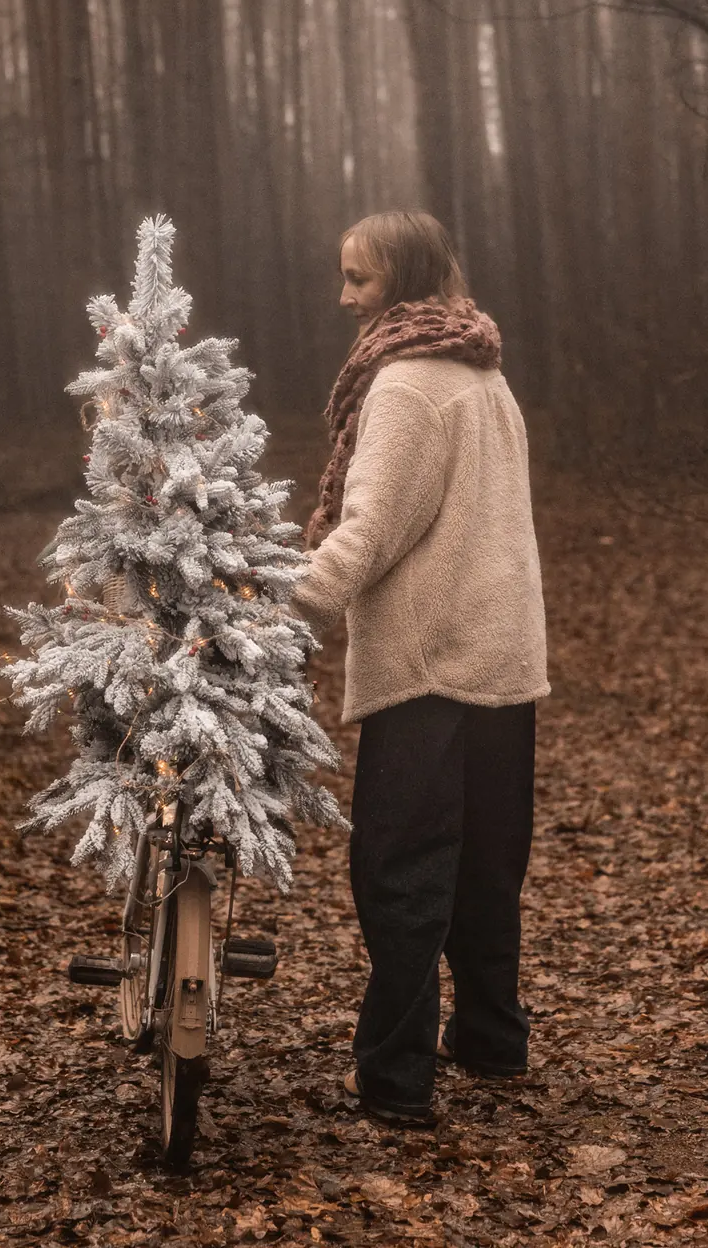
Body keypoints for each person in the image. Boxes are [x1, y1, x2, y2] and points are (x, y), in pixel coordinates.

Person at [293, 210, 548, 1127]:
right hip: (502, 656)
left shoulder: (405, 383)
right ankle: (490, 1037)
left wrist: (287, 608)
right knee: (487, 862)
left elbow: (371, 525)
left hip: (430, 664)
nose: (344, 297)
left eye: (358, 279)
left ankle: (394, 1080)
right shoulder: (485, 373)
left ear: (399, 281)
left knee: (399, 872)